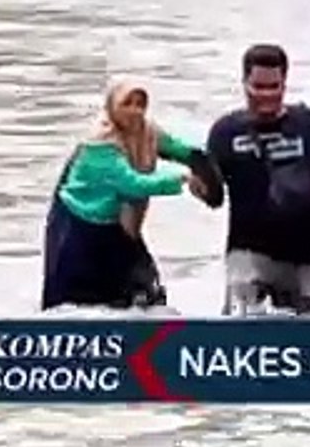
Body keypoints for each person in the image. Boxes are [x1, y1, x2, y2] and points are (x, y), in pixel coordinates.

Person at [196, 44, 310, 316]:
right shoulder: (225, 131)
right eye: (259, 87)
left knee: (296, 335)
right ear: (244, 83)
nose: (267, 95)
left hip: (305, 254)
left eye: (274, 87)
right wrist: (199, 185)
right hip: (248, 251)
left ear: (285, 84)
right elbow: (212, 195)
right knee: (242, 330)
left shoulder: (308, 123)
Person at [41, 81, 201, 310]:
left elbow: (179, 148)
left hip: (118, 226)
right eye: (127, 104)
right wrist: (182, 179)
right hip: (80, 227)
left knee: (145, 292)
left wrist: (205, 162)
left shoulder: (147, 132)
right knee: (74, 300)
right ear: (112, 107)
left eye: (140, 104)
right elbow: (132, 185)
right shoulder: (99, 143)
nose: (135, 111)